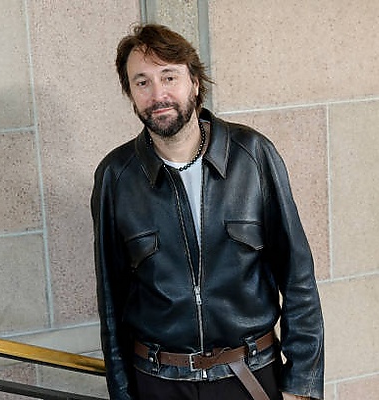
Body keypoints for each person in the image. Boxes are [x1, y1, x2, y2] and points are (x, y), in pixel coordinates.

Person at [91, 23, 324, 400]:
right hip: (158, 383)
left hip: (249, 375)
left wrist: (301, 383)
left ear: (195, 83)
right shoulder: (116, 176)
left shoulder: (253, 156)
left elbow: (298, 277)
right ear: (131, 95)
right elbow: (111, 300)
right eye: (142, 82)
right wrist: (121, 393)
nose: (158, 94)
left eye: (169, 77)